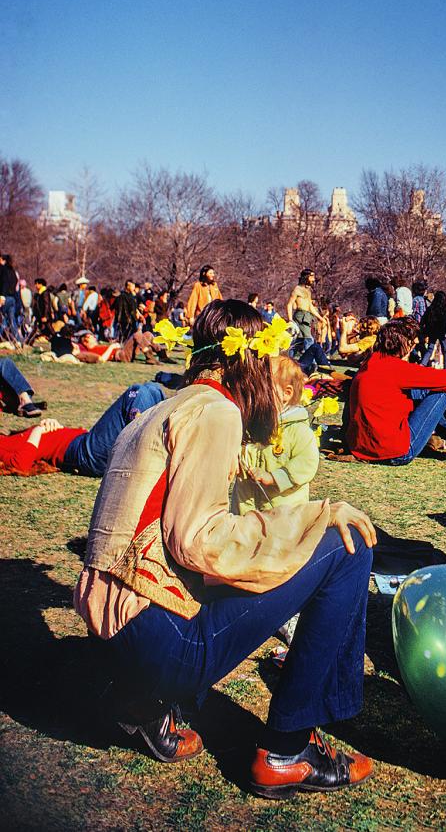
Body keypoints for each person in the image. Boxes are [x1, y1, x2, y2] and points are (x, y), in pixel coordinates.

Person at [74, 298, 376, 796]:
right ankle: (287, 749)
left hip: (112, 634)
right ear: (247, 361)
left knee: (303, 546)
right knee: (347, 549)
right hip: (154, 640)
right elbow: (199, 542)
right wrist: (307, 518)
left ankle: (143, 705)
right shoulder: (216, 411)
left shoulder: (157, 407)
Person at [347, 317, 446, 464]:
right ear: (403, 344)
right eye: (413, 342)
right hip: (395, 451)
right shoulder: (396, 368)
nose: (416, 343)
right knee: (445, 394)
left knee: (419, 393)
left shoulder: (371, 362)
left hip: (363, 447)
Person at [0, 382, 166, 476]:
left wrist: (51, 426)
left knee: (153, 390)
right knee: (137, 393)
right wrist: (38, 430)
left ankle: (158, 443)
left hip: (85, 445)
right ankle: (149, 447)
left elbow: (44, 445)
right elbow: (20, 464)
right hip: (84, 454)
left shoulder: (7, 438)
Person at [232, 356, 320, 514]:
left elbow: (307, 463)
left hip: (282, 515)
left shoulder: (299, 431)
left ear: (286, 393)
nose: (254, 392)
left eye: (262, 387)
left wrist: (274, 477)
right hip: (245, 511)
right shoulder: (252, 424)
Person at [418, 290, 446, 369]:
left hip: (432, 331)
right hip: (442, 332)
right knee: (445, 350)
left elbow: (424, 319)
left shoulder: (430, 309)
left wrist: (423, 329)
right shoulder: (444, 310)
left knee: (430, 349)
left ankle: (422, 364)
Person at [287, 269, 322, 351]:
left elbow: (310, 306)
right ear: (306, 277)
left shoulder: (308, 290)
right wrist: (290, 320)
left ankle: (288, 358)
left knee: (298, 341)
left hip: (307, 316)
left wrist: (320, 318)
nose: (313, 279)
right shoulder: (297, 289)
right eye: (312, 276)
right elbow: (289, 304)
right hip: (300, 317)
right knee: (309, 339)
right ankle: (311, 362)